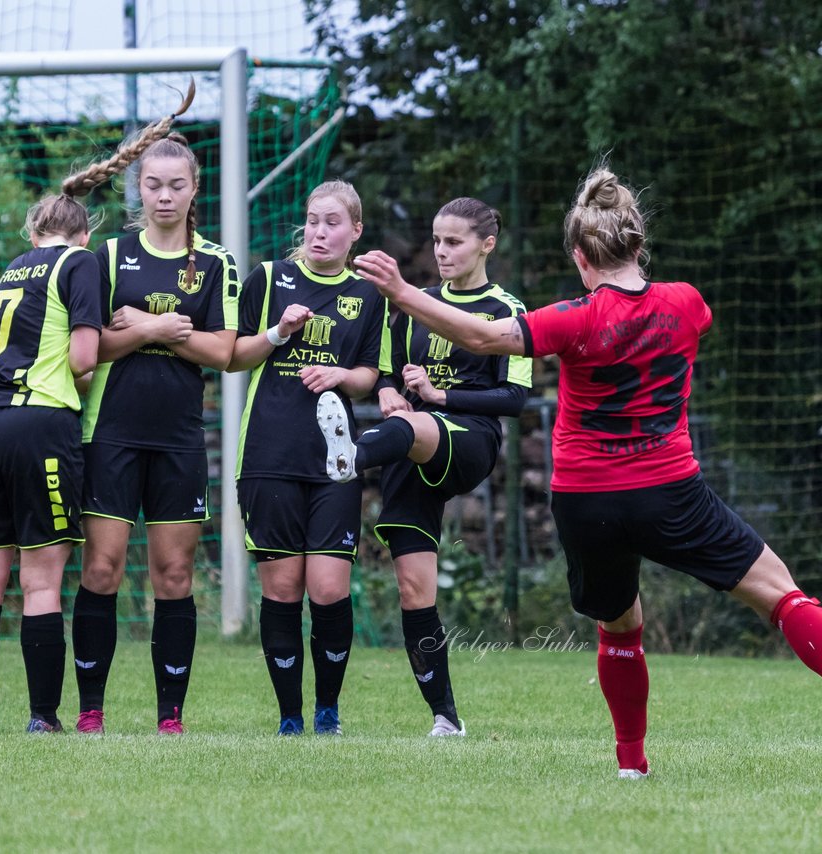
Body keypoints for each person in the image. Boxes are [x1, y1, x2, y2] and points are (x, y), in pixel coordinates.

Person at [350, 164, 822, 777]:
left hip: (585, 501)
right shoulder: (689, 304)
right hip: (669, 491)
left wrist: (404, 295)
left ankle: (631, 765)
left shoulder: (571, 318)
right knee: (782, 595)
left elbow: (485, 338)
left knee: (621, 624)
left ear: (580, 255)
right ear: (638, 244)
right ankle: (631, 762)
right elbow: (675, 323)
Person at [316, 198, 532, 738]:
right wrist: (389, 394)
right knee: (414, 588)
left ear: (487, 244)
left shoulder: (508, 309)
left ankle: (353, 456)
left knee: (413, 428)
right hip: (407, 440)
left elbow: (514, 398)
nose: (441, 251)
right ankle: (446, 719)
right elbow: (385, 373)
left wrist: (442, 393)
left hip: (468, 441)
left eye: (454, 241)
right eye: (436, 240)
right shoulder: (413, 305)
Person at [72, 86, 240, 736]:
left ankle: (170, 719)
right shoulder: (109, 256)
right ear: (137, 190)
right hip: (110, 433)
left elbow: (225, 350)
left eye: (176, 185)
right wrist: (147, 330)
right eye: (152, 185)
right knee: (102, 568)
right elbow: (91, 347)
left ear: (195, 189)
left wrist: (159, 326)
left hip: (178, 439)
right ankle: (90, 712)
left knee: (172, 574)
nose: (164, 196)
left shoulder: (217, 263)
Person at [226, 180, 387, 736]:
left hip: (335, 461)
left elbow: (369, 375)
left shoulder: (367, 296)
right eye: (314, 221)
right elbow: (232, 357)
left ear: (355, 231)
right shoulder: (269, 278)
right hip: (269, 454)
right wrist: (278, 331)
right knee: (283, 590)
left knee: (328, 588)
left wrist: (342, 375)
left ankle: (328, 712)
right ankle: (290, 718)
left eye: (333, 223)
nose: (320, 232)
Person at [0, 185, 102, 735]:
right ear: (85, 234)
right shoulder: (80, 262)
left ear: (34, 233)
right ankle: (42, 718)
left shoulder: (13, 269)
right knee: (40, 583)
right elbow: (83, 359)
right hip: (36, 424)